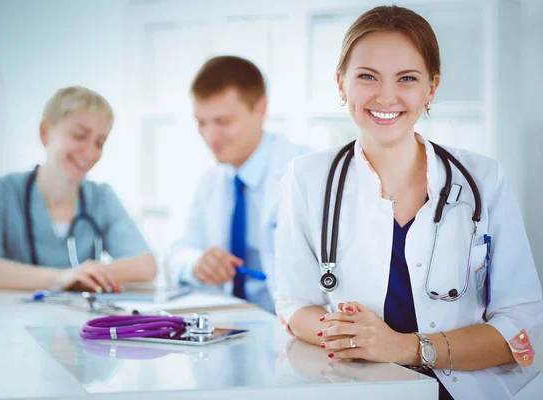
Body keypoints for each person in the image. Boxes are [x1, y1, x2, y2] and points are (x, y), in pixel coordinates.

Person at [274, 5, 542, 399]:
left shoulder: (484, 180)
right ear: (341, 83)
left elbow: (522, 326)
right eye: (367, 76)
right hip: (354, 389)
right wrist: (356, 338)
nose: (387, 96)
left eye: (407, 78)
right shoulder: (307, 178)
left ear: (431, 88)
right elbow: (295, 305)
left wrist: (403, 347)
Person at [0, 86, 157, 292]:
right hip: (14, 321)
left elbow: (146, 266)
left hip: (82, 322)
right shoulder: (3, 191)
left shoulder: (101, 197)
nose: (91, 152)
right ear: (45, 132)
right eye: (80, 135)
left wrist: (88, 274)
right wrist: (63, 277)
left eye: (100, 142)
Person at [165, 56, 311, 313]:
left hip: (296, 330)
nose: (210, 136)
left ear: (260, 109)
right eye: (201, 122)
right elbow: (175, 254)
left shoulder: (309, 173)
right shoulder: (213, 180)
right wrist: (197, 263)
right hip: (233, 326)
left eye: (223, 122)